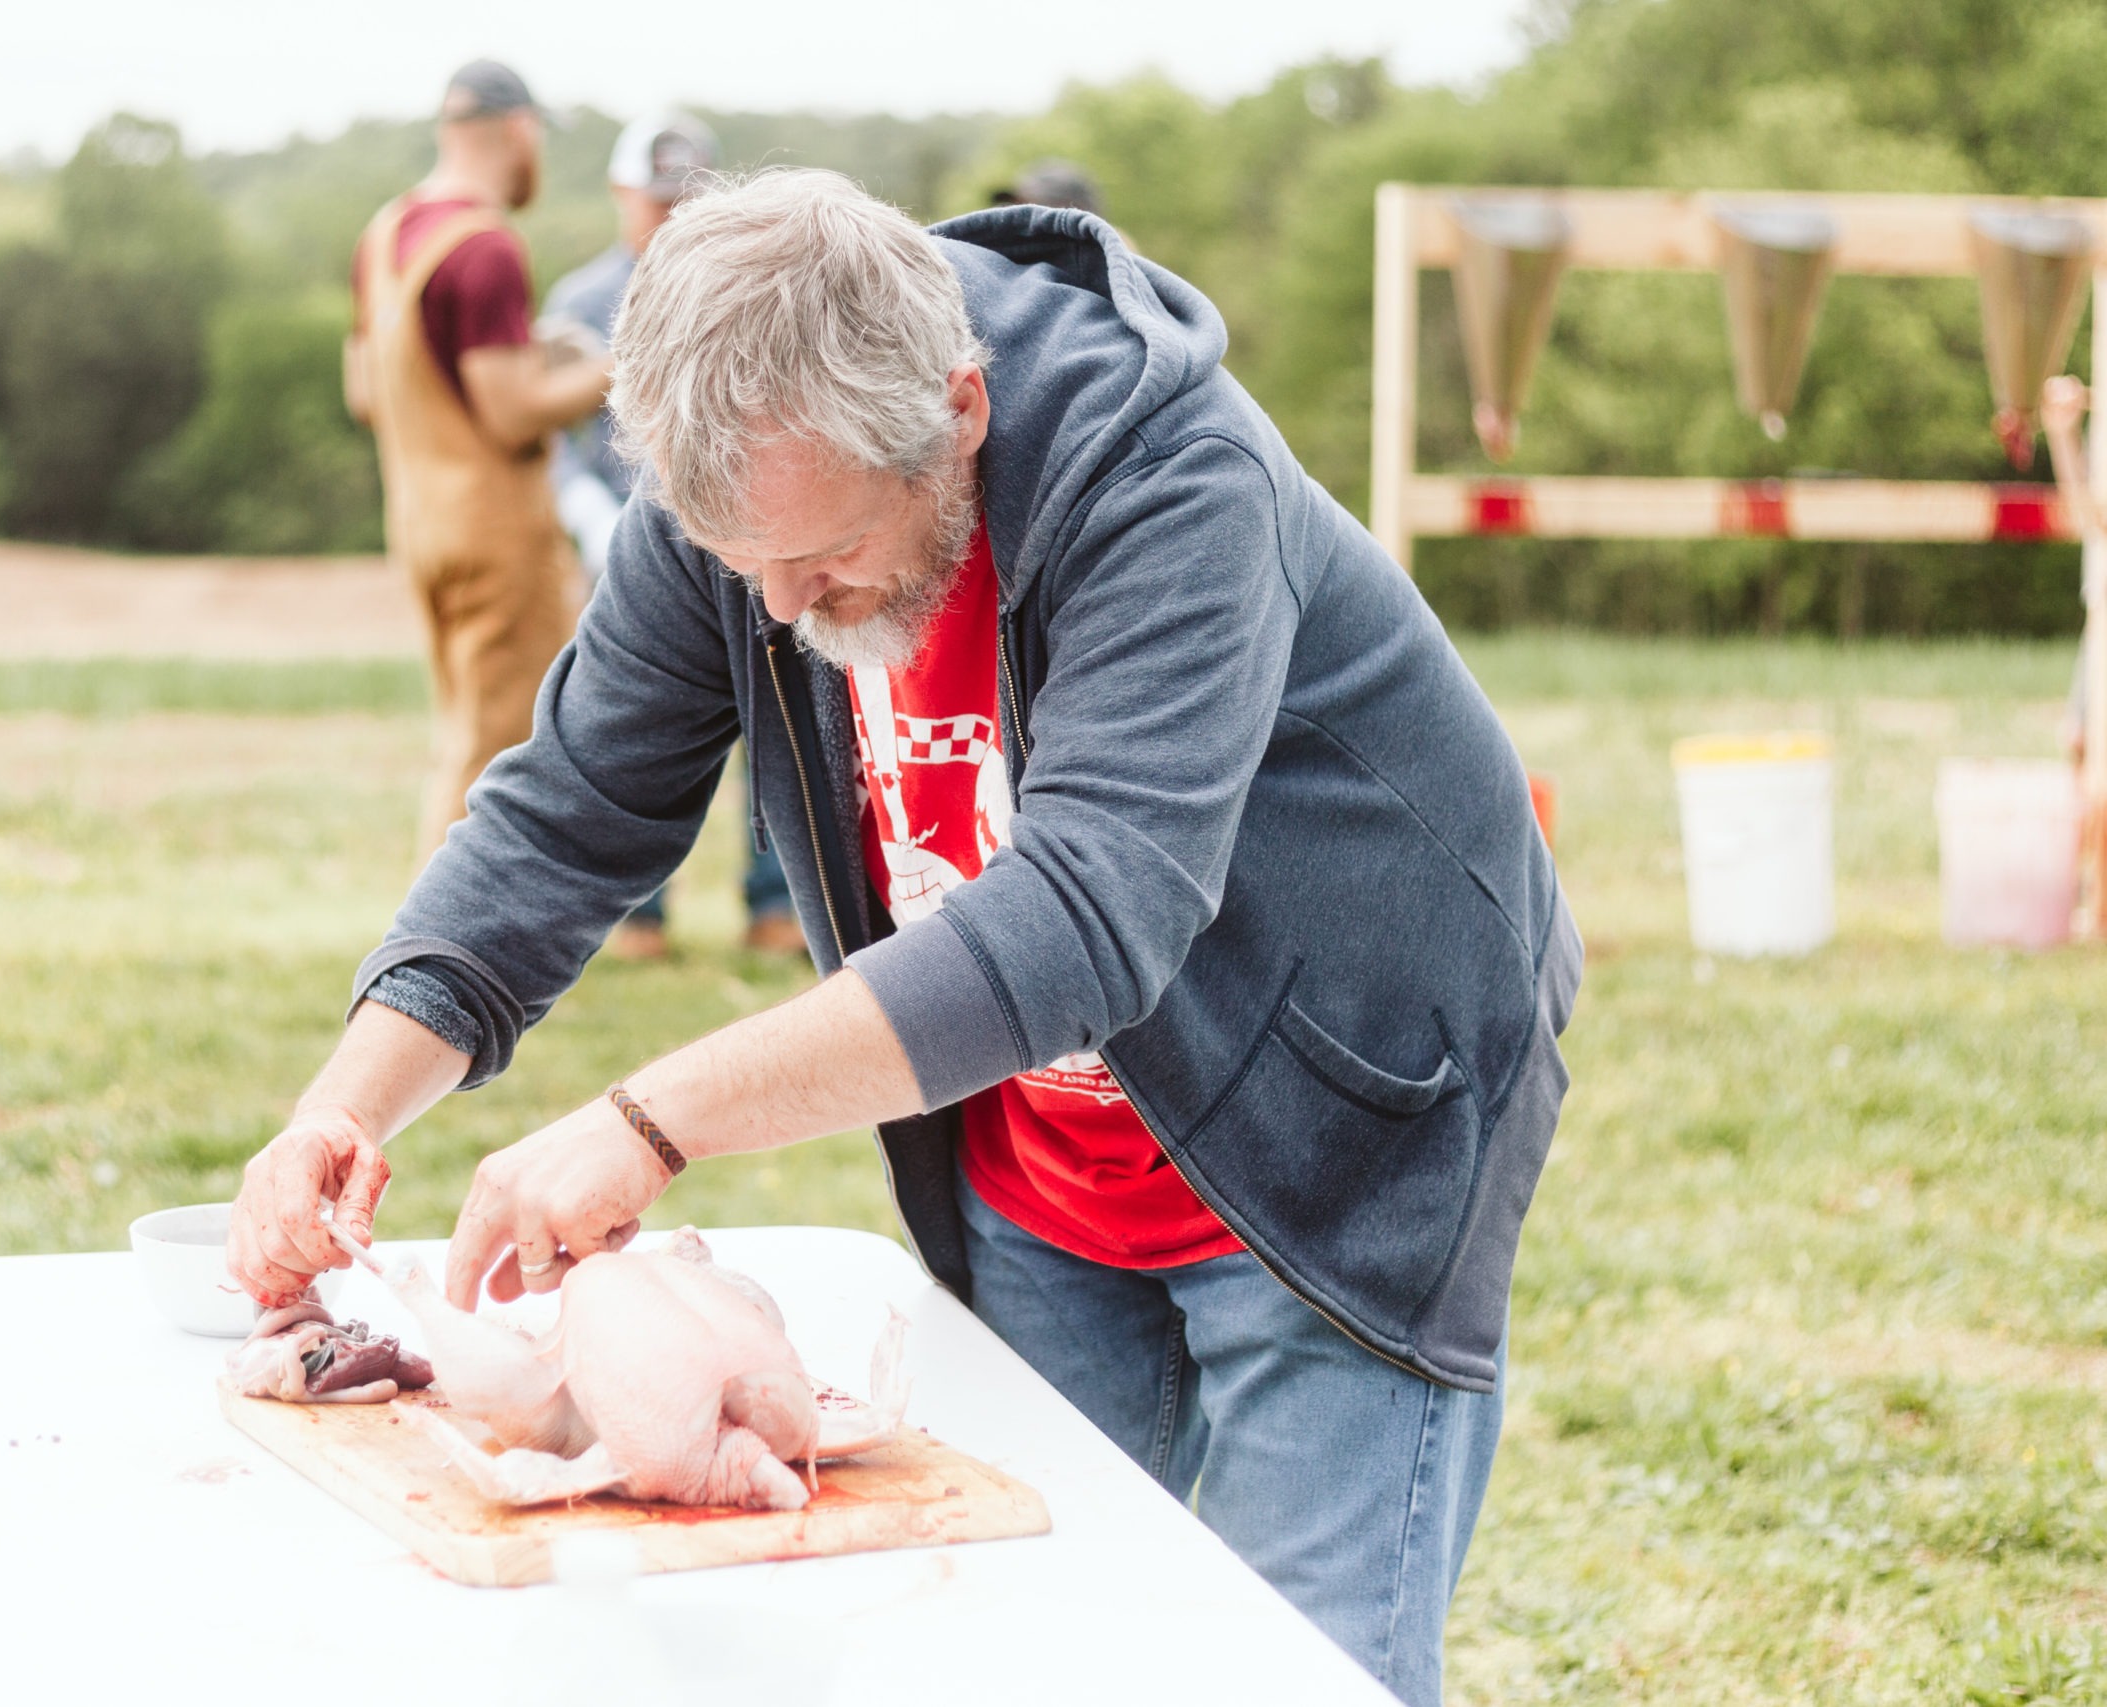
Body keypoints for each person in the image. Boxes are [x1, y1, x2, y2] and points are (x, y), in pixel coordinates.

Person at [239, 170, 1579, 1706]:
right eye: (748, 569)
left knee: (1284, 1670)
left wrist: (649, 1119)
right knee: (1008, 1646)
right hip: (1041, 1151)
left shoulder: (1168, 477)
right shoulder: (748, 499)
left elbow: (1089, 912)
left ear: (956, 408)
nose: (787, 613)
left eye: (823, 561)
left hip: (1337, 1123)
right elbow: (570, 809)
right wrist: (344, 1101)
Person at [541, 111, 801, 959]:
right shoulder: (580, 303)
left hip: (747, 536)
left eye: (684, 200)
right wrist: (592, 521)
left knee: (778, 722)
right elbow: (551, 445)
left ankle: (778, 902)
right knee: (633, 728)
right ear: (622, 195)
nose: (668, 217)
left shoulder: (757, 286)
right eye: (654, 201)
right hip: (622, 537)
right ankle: (635, 914)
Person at [347, 59, 612, 871]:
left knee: (461, 734)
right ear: (519, 130)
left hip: (421, 522)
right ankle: (436, 967)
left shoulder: (388, 233)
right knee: (495, 754)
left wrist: (532, 354)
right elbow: (508, 412)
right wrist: (620, 366)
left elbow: (366, 390)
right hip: (495, 533)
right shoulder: (488, 247)